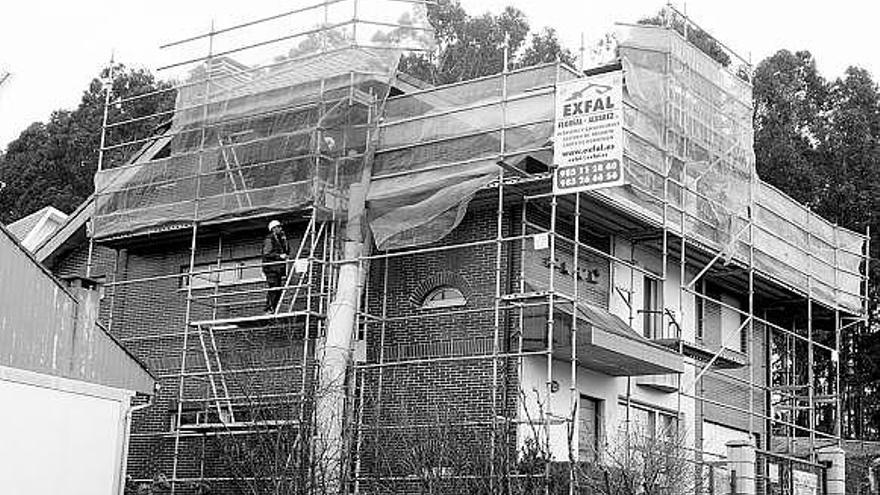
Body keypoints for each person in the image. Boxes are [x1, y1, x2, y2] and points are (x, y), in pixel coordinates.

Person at [262, 219, 289, 314]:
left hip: (277, 269)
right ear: (274, 229)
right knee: (274, 288)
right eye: (279, 227)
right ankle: (269, 308)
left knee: (278, 289)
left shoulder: (280, 239)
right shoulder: (269, 239)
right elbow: (266, 254)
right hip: (271, 269)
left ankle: (273, 308)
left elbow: (287, 251)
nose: (281, 229)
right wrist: (279, 256)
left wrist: (284, 240)